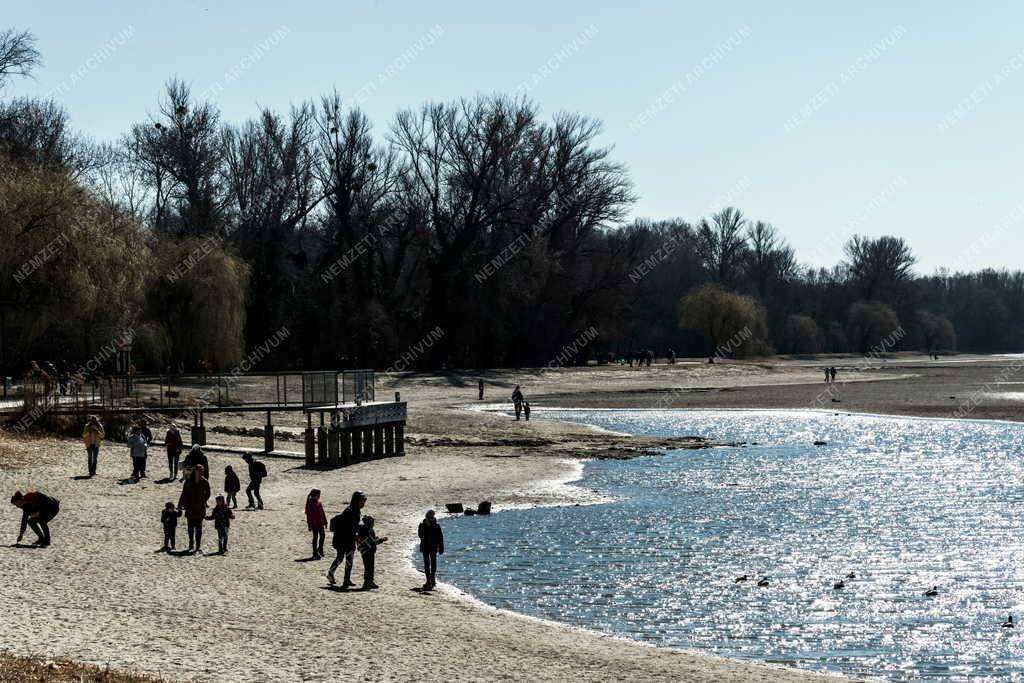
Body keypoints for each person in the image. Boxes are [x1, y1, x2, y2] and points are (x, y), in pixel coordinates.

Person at [327, 491, 366, 588]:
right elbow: (351, 528)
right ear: (356, 500)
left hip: (348, 540)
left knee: (349, 560)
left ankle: (346, 580)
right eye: (362, 501)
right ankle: (331, 574)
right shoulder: (350, 511)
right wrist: (357, 538)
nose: (363, 504)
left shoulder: (355, 510)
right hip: (342, 540)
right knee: (340, 558)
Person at [177, 465, 211, 553]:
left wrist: (203, 500)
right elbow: (184, 493)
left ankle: (198, 545)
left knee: (199, 528)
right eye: (198, 471)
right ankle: (191, 542)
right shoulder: (188, 481)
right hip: (190, 507)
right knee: (190, 527)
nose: (200, 472)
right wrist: (180, 505)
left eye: (201, 471)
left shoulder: (205, 482)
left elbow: (208, 493)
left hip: (200, 508)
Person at [357, 515, 387, 590]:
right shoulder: (367, 530)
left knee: (370, 567)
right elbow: (372, 542)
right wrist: (382, 540)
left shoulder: (366, 529)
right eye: (372, 522)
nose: (373, 524)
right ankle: (367, 583)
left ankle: (370, 582)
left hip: (366, 550)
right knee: (368, 567)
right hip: (367, 551)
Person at [418, 509, 444, 590]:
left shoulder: (436, 526)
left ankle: (432, 579)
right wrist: (423, 529)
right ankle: (428, 581)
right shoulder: (422, 525)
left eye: (430, 517)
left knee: (433, 564)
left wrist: (441, 548)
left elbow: (440, 538)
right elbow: (420, 535)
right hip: (425, 547)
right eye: (428, 517)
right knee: (426, 564)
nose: (429, 518)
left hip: (433, 547)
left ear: (433, 517)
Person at [305, 489, 327, 560]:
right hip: (314, 524)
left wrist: (325, 521)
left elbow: (322, 513)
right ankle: (315, 552)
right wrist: (309, 525)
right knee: (315, 538)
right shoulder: (310, 504)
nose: (319, 496)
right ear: (315, 496)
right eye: (318, 495)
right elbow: (308, 515)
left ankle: (320, 548)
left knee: (322, 536)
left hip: (320, 523)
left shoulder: (318, 503)